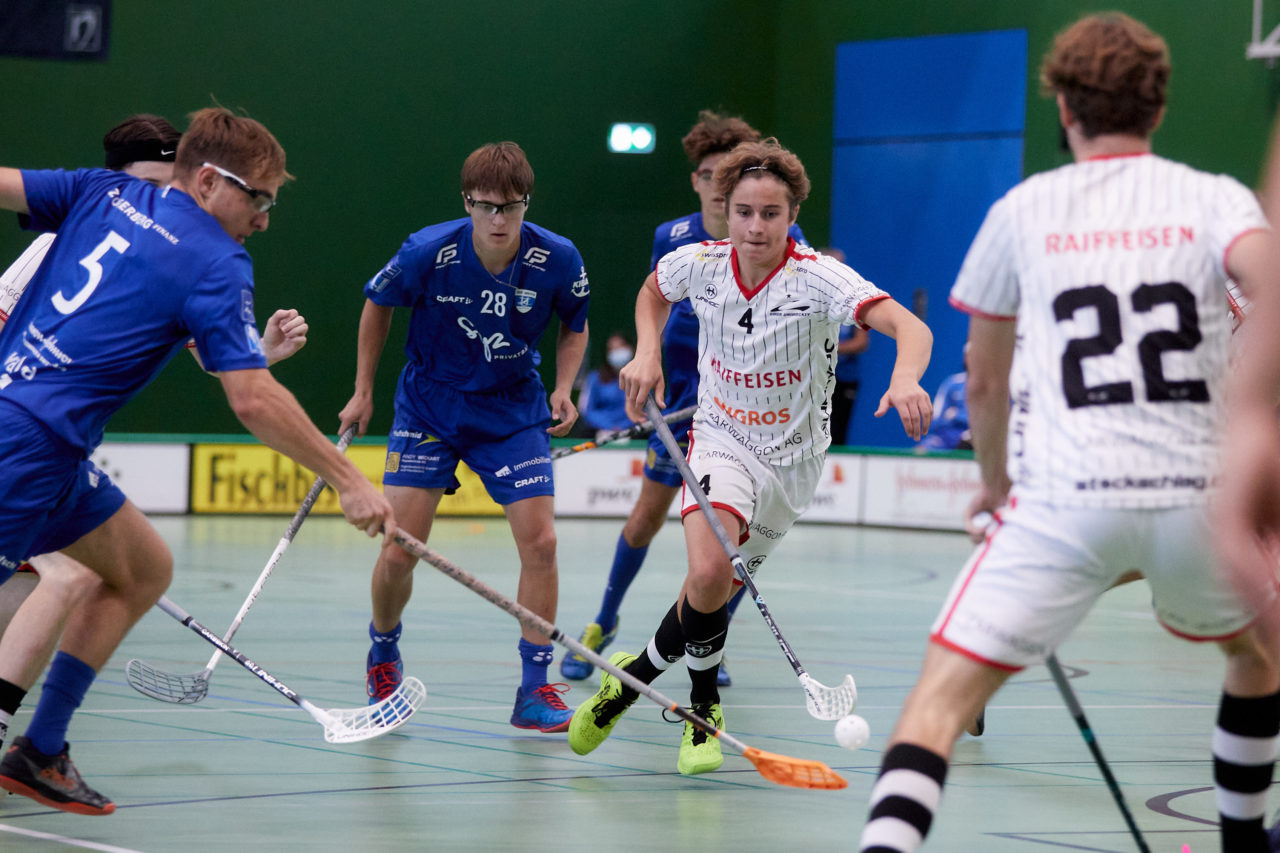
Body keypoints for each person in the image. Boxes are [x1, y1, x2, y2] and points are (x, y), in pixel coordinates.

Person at [858, 14, 1279, 852]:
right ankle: (1242, 840)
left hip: (1063, 499)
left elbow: (982, 379)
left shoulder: (1021, 208)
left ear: (1060, 103)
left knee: (937, 707)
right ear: (1158, 109)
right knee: (1257, 661)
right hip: (1197, 500)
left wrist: (996, 485)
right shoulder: (1216, 197)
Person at [0, 106, 394, 816]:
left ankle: (40, 749)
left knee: (142, 567)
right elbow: (252, 399)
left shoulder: (103, 190)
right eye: (260, 198)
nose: (266, 219)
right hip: (23, 448)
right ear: (210, 181)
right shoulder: (216, 259)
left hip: (52, 449)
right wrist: (349, 479)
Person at [567, 138, 933, 776]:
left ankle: (634, 676)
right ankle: (703, 709)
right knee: (709, 572)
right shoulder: (699, 263)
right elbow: (652, 292)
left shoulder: (820, 278)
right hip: (719, 440)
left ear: (793, 215)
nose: (755, 226)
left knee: (712, 590)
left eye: (771, 213)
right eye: (743, 211)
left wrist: (904, 378)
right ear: (724, 209)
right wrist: (647, 351)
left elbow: (912, 328)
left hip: (793, 465)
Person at [338, 141, 590, 733]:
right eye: (486, 207)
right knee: (400, 549)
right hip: (429, 404)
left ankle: (535, 688)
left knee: (542, 544)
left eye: (511, 206)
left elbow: (574, 325)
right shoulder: (427, 250)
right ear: (467, 202)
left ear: (527, 201)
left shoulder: (559, 257)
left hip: (511, 408)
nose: (499, 220)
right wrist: (363, 389)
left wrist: (564, 386)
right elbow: (377, 304)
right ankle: (383, 649)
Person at [560, 110, 807, 686]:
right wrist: (647, 361)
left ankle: (707, 638)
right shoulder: (672, 239)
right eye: (707, 173)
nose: (718, 186)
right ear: (699, 180)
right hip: (677, 411)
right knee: (646, 517)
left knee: (735, 542)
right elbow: (657, 301)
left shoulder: (783, 240)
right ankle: (602, 622)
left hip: (746, 417)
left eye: (729, 172)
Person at [824, 247, 870, 446]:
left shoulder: (853, 299)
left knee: (838, 432)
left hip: (844, 377)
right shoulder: (808, 296)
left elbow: (861, 342)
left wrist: (829, 348)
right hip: (815, 378)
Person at [576, 332, 633, 436]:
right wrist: (609, 427)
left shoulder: (640, 379)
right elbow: (586, 410)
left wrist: (623, 427)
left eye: (621, 347)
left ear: (630, 348)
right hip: (599, 432)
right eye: (612, 349)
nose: (617, 352)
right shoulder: (594, 378)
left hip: (633, 432)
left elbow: (645, 410)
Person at [915, 346, 970, 452]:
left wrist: (958, 416)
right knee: (922, 450)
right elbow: (936, 420)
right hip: (949, 438)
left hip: (981, 439)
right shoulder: (953, 383)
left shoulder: (998, 387)